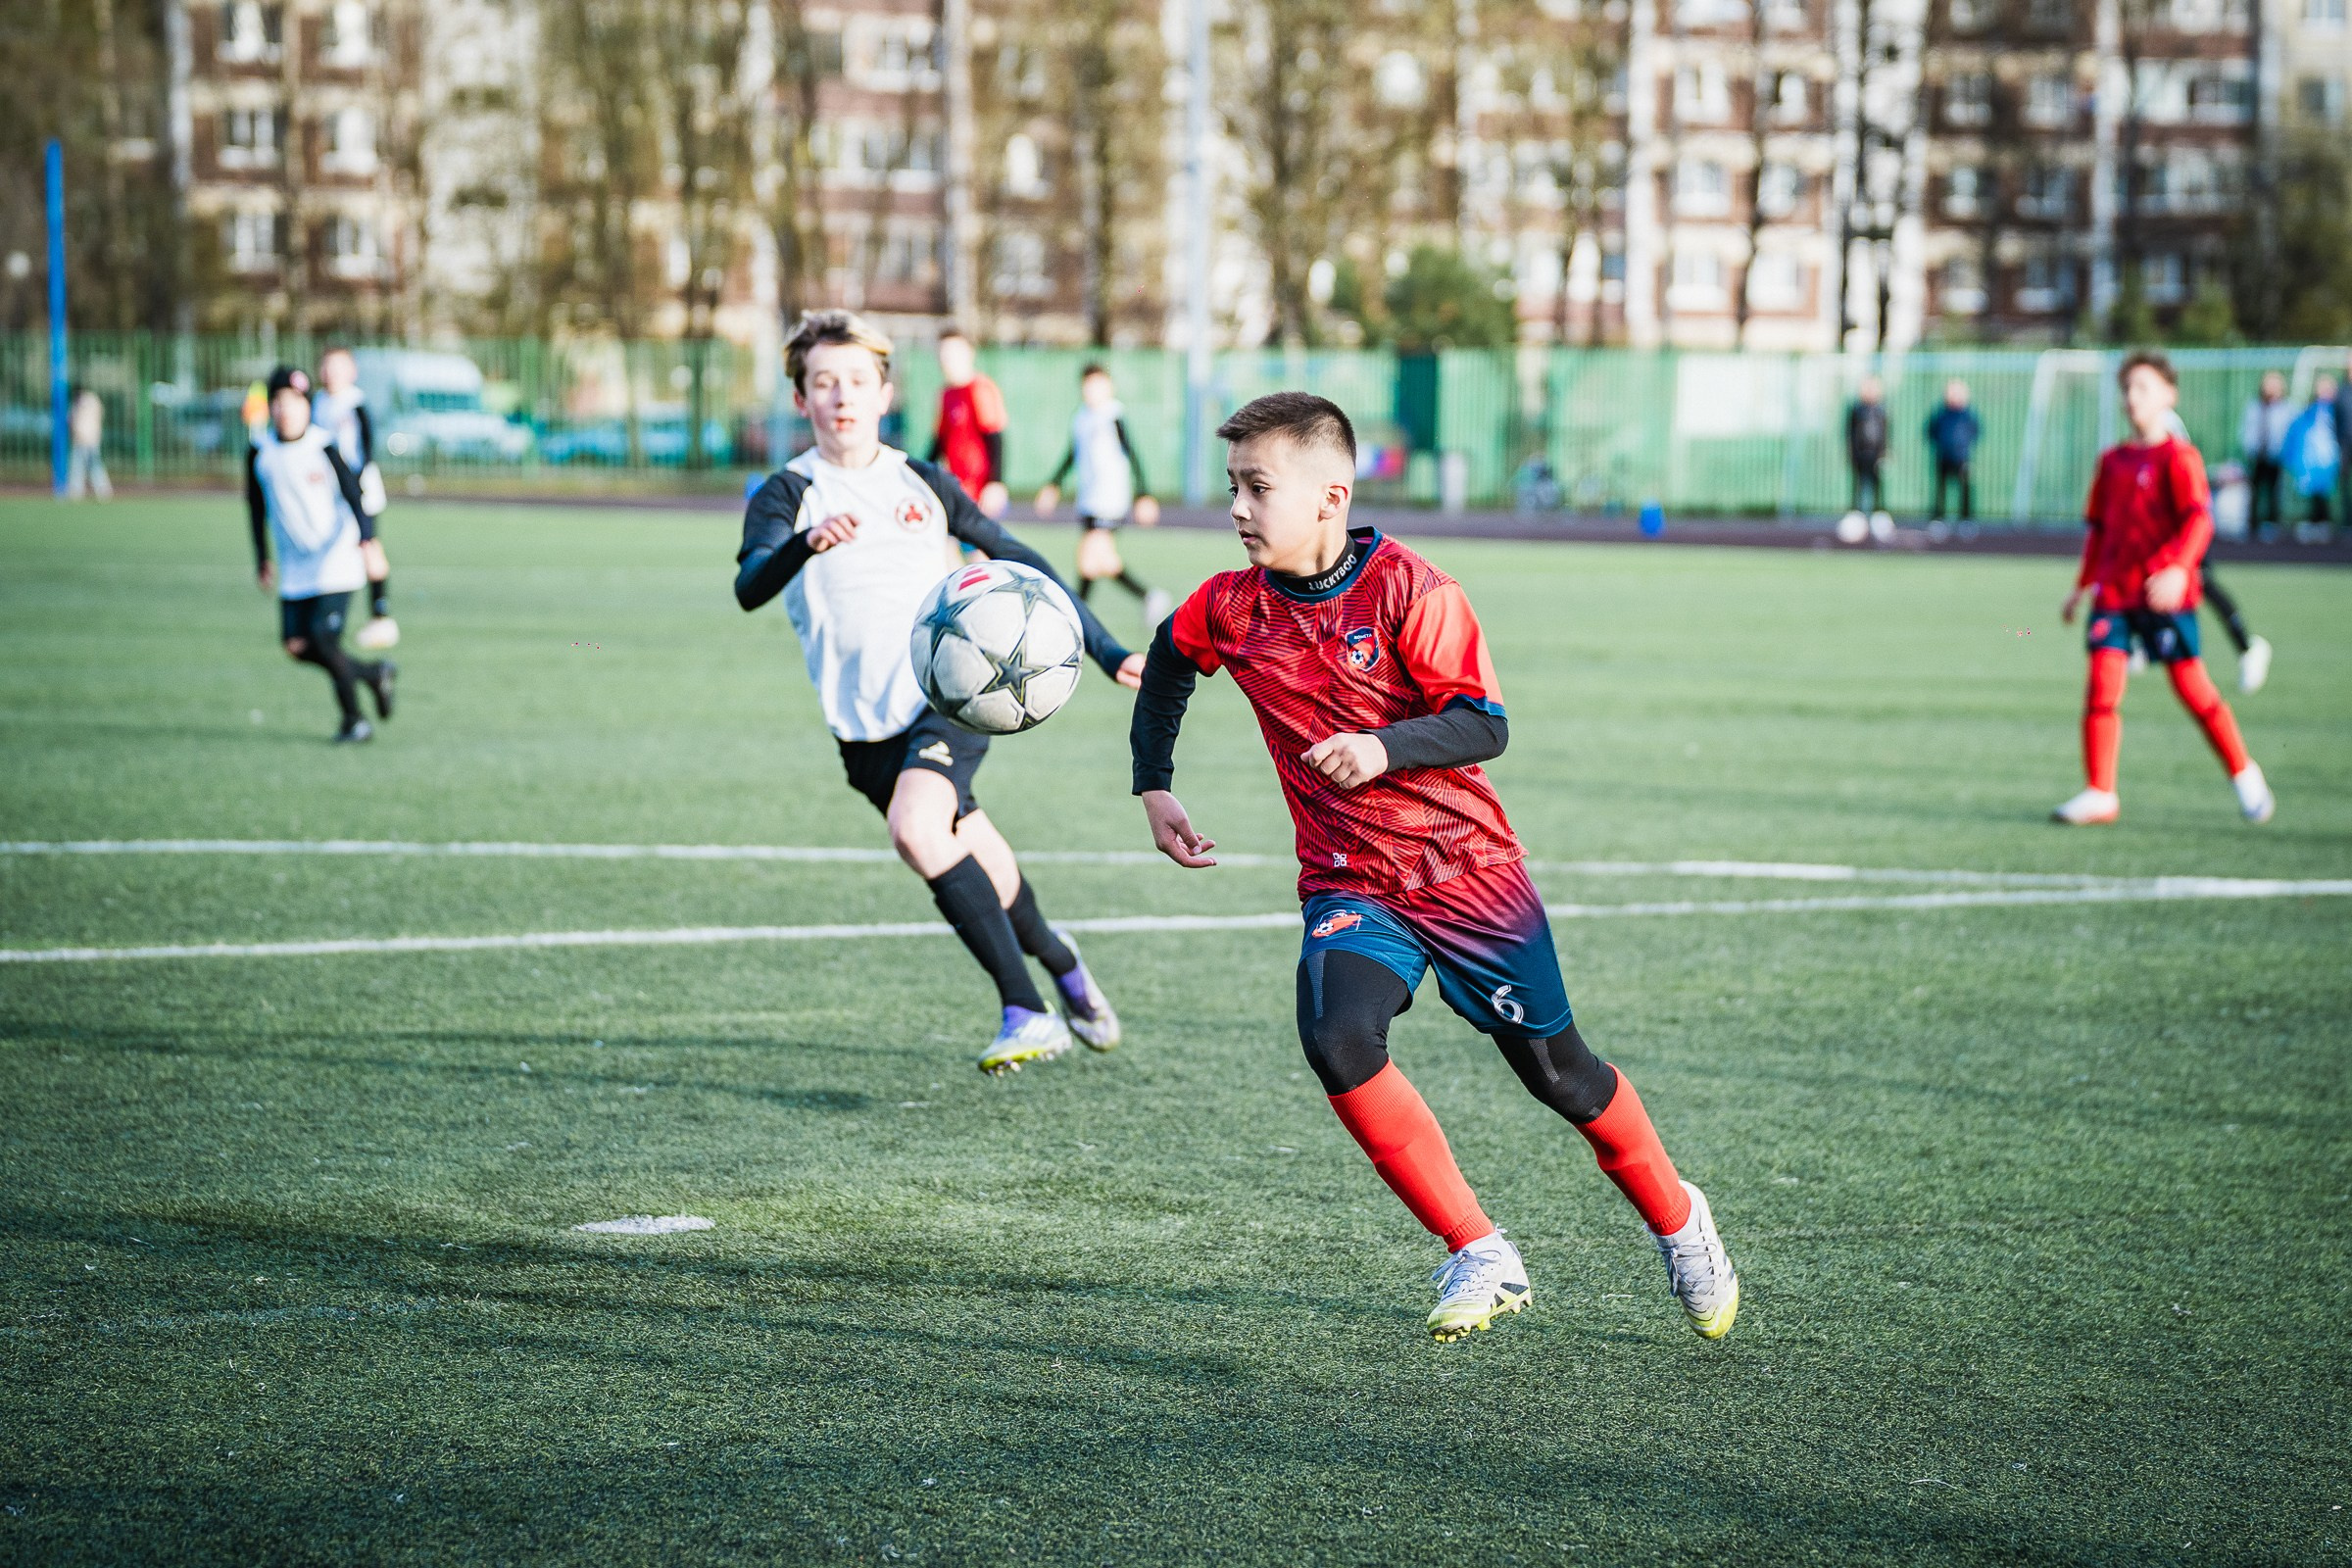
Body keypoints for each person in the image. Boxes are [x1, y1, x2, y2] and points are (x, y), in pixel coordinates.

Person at [1129, 390, 1739, 1344]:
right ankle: (1479, 1249)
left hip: (1468, 876)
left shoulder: (1416, 591)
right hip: (1348, 880)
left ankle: (1678, 1217)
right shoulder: (1231, 606)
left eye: (1258, 488)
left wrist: (1382, 747)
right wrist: (1153, 784)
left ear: (1332, 496)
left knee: (1561, 1077)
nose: (1238, 509)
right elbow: (1169, 660)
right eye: (1233, 488)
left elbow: (1482, 722)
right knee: (1338, 1036)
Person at [736, 311, 1142, 1074]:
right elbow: (751, 586)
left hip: (952, 694)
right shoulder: (788, 494)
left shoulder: (920, 479)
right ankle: (1063, 963)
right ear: (801, 400)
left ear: (884, 392)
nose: (841, 396)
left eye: (857, 380)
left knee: (918, 832)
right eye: (823, 383)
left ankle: (1026, 1009)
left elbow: (1017, 557)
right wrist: (804, 541)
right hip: (862, 731)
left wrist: (1106, 645)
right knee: (978, 854)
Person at [2055, 352, 2272, 827]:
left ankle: (2244, 774)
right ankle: (2100, 791)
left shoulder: (2179, 457)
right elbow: (2098, 529)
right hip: (2114, 594)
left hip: (2163, 595)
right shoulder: (2111, 461)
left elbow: (2199, 519)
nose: (2133, 398)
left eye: (2143, 388)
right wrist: (2082, 585)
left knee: (2194, 691)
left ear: (2169, 395)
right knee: (2102, 690)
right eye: (2127, 389)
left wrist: (2178, 569)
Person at [246, 366, 396, 744]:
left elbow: (353, 492)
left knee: (324, 641)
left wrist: (366, 539)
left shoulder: (323, 445)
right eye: (279, 402)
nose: (287, 410)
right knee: (297, 646)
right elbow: (255, 507)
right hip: (295, 563)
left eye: (295, 402)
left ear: (306, 405)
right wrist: (262, 557)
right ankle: (374, 674)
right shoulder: (260, 452)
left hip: (335, 557)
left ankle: (354, 721)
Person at [1034, 364, 1170, 625]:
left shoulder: (1113, 415)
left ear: (1109, 387)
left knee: (1088, 557)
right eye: (1087, 386)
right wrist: (1053, 484)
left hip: (1110, 500)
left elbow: (1132, 453)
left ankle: (1074, 615)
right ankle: (1148, 596)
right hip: (1088, 499)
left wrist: (1144, 494)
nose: (1092, 392)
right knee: (1100, 561)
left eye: (1097, 385)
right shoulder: (1082, 417)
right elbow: (1072, 455)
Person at [314, 347, 398, 650]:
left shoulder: (355, 403)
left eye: (337, 366)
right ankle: (326, 614)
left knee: (368, 546)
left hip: (360, 489)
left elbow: (367, 444)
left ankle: (381, 615)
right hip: (328, 494)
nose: (330, 372)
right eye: (326, 365)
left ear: (351, 372)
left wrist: (356, 482)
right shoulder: (317, 403)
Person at [925, 329, 1008, 517]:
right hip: (955, 488)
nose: (946, 358)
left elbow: (995, 436)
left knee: (975, 547)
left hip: (979, 492)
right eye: (942, 353)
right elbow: (939, 442)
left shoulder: (980, 389)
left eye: (953, 352)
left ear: (969, 353)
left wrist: (996, 483)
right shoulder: (946, 394)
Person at [2283, 373, 2341, 541]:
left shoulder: (2336, 410)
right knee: (2314, 494)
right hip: (2314, 460)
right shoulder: (2310, 411)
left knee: (2325, 494)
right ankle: (2316, 523)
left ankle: (2326, 523)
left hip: (2330, 459)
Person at [2238, 370, 2292, 541]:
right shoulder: (2255, 406)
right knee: (2254, 490)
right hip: (2257, 455)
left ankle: (2272, 523)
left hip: (2275, 455)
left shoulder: (2286, 408)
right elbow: (2247, 429)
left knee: (2274, 491)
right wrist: (2250, 448)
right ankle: (2252, 524)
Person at [1924, 379, 1979, 523]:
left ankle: (1966, 518)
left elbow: (1975, 431)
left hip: (1962, 457)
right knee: (1940, 488)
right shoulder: (1941, 414)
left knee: (1965, 488)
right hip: (1943, 456)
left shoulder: (1967, 415)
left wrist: (1964, 447)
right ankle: (1939, 517)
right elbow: (1931, 430)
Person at [1844, 375, 1889, 529]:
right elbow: (1849, 432)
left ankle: (1879, 514)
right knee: (1858, 483)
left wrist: (1884, 452)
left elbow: (1885, 433)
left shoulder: (1881, 410)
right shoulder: (1857, 409)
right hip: (1860, 453)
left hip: (1875, 453)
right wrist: (1851, 451)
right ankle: (1855, 514)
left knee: (1877, 484)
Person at [65, 386, 111, 500]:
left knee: (84, 465)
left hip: (86, 439)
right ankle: (98, 489)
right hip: (88, 439)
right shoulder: (91, 401)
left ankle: (79, 490)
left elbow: (72, 421)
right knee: (86, 465)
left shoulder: (83, 403)